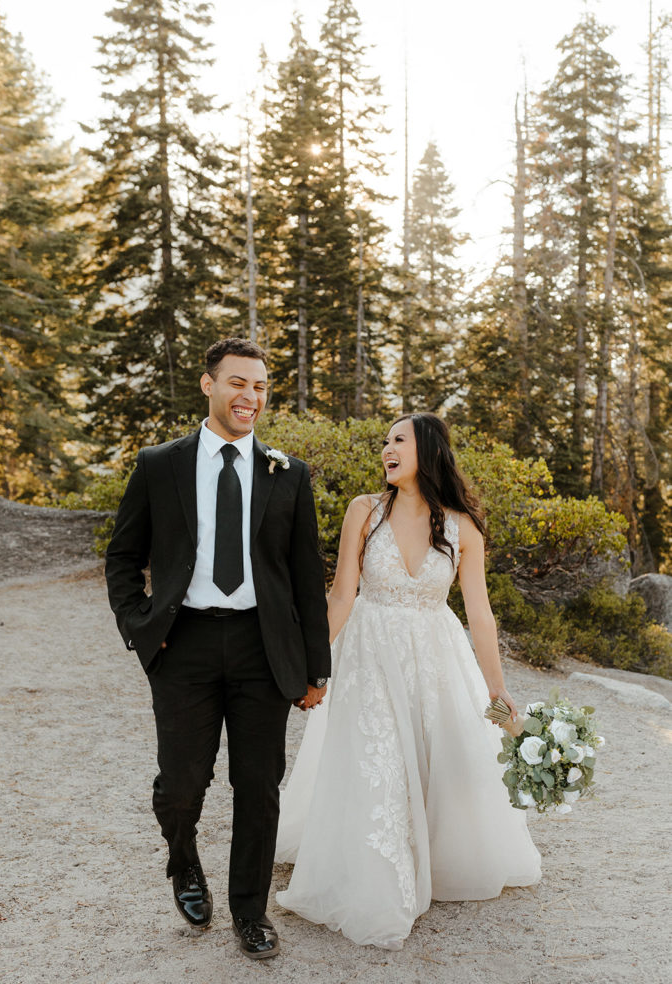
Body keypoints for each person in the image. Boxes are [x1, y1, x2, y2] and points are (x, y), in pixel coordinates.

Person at [275, 412, 541, 949]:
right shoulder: (364, 511)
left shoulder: (462, 526)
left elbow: (480, 613)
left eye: (399, 440)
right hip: (370, 653)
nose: (386, 449)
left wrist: (498, 691)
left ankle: (432, 856)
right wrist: (313, 666)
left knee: (434, 755)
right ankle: (378, 875)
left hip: (436, 654)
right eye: (384, 442)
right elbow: (342, 595)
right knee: (381, 760)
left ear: (429, 450)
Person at [105, 337, 330, 961]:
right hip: (185, 645)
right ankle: (183, 863)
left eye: (259, 386)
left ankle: (250, 912)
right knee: (182, 783)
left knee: (259, 786)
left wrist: (317, 666)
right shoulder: (160, 464)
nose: (250, 397)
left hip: (264, 648)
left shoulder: (288, 473)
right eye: (238, 383)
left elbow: (307, 578)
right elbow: (123, 556)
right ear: (208, 385)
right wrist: (140, 626)